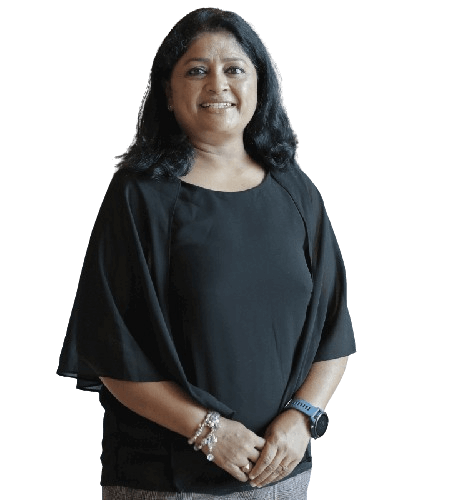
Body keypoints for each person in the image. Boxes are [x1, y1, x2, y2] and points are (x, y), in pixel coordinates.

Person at [57, 7, 356, 500]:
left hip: (281, 472)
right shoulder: (138, 194)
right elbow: (107, 346)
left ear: (260, 86)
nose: (218, 83)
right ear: (168, 94)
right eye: (196, 70)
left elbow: (335, 328)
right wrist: (208, 430)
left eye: (234, 68)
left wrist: (303, 415)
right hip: (163, 479)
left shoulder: (297, 191)